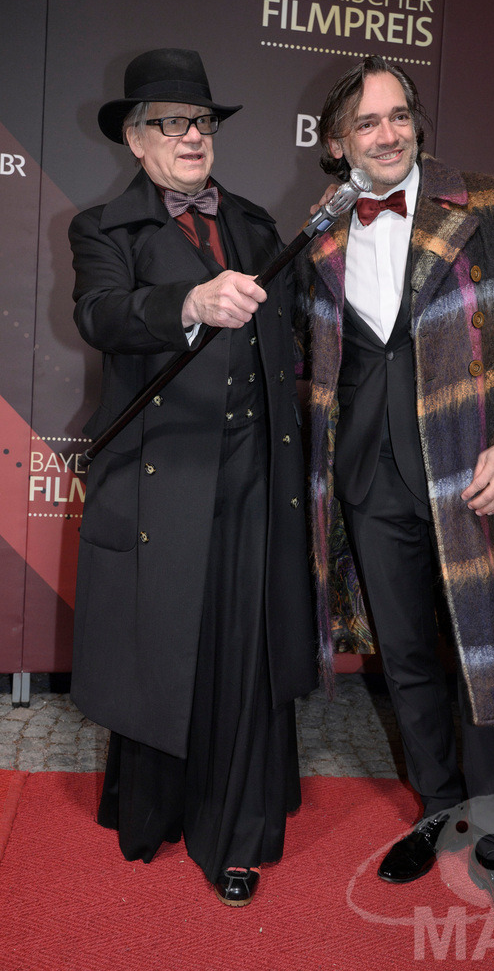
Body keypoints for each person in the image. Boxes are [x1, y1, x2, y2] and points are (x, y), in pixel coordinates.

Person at [298, 55, 494, 955]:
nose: (387, 134)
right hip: (370, 486)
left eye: (398, 115)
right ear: (337, 145)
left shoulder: (488, 206)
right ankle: (440, 813)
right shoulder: (323, 233)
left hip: (468, 475)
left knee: (484, 672)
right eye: (366, 124)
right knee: (410, 665)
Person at [68, 48, 317, 907]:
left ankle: (237, 833)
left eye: (201, 122)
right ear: (135, 141)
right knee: (165, 644)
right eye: (170, 123)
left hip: (256, 469)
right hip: (161, 475)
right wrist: (187, 304)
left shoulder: (252, 222)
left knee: (244, 648)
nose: (191, 137)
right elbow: (101, 315)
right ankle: (157, 807)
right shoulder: (104, 229)